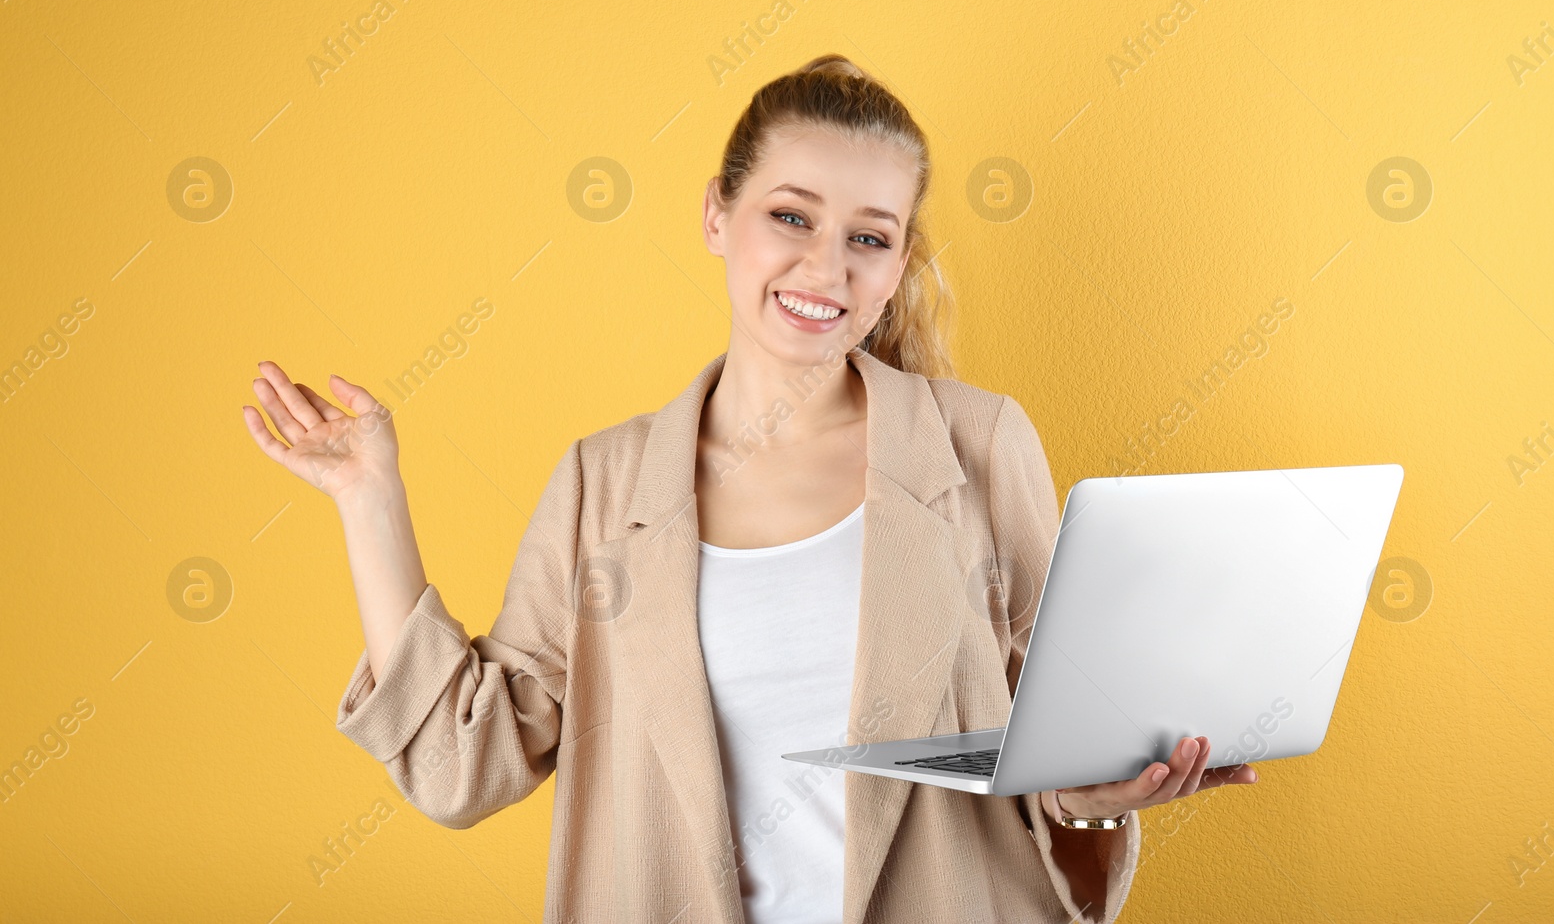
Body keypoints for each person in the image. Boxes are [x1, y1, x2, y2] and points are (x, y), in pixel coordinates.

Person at [242, 54, 1257, 923]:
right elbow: (467, 764)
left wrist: (1104, 789)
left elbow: (1055, 743)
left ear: (900, 261)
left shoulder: (981, 443)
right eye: (790, 216)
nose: (826, 265)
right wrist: (369, 499)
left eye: (869, 235)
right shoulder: (603, 483)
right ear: (717, 218)